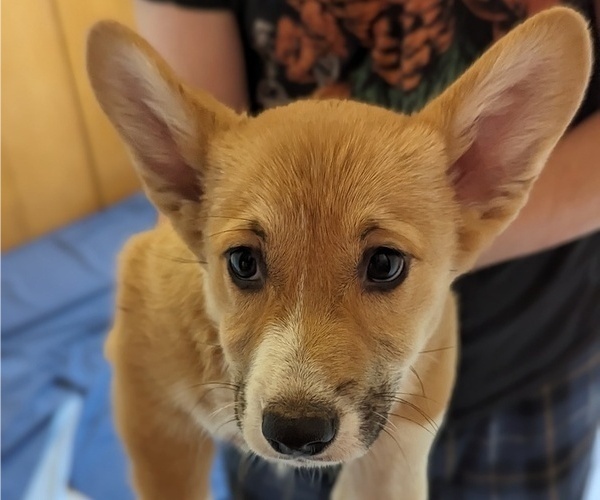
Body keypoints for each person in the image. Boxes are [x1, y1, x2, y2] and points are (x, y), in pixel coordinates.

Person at [134, 1, 600, 498]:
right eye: (246, 264)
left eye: (383, 264)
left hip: (531, 348)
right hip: (254, 400)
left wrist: (443, 229)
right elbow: (201, 178)